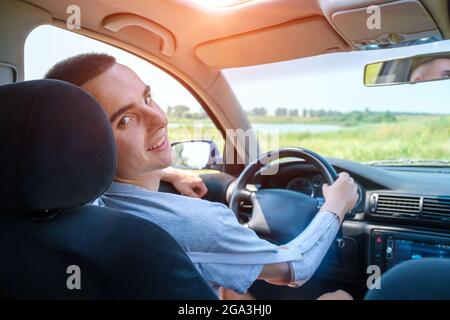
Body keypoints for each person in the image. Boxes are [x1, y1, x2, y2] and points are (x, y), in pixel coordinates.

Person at [45, 53, 358, 299]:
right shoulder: (198, 223)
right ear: (86, 148)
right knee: (339, 295)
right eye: (125, 120)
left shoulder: (63, 209)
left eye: (148, 98)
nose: (159, 119)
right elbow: (296, 268)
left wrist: (169, 172)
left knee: (236, 289)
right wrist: (336, 204)